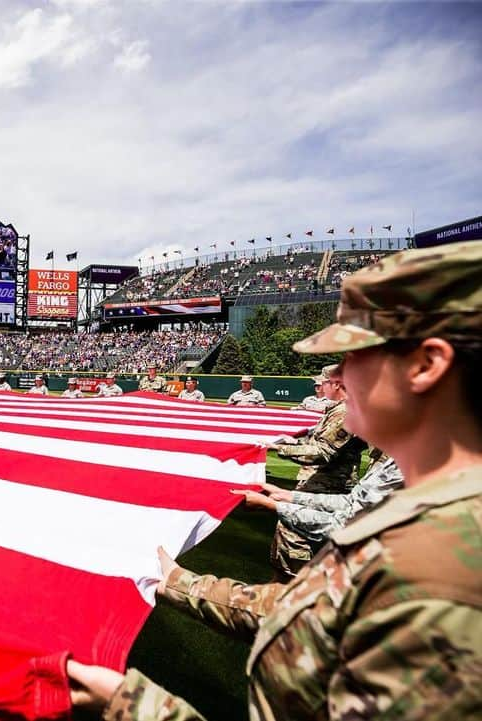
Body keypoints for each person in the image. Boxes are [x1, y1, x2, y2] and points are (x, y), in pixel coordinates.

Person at [67, 240, 482, 721]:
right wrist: (182, 584)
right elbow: (319, 612)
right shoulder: (430, 515)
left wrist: (135, 707)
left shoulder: (441, 575)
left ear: (426, 366)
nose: (340, 378)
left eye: (355, 355)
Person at [266, 363, 367, 578]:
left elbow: (322, 452)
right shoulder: (338, 409)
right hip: (320, 484)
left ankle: (296, 585)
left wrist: (279, 448)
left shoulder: (345, 411)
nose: (320, 388)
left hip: (328, 487)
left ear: (337, 384)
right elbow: (318, 439)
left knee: (295, 535)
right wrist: (293, 441)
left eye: (323, 383)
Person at [232, 450, 403, 551]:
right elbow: (351, 502)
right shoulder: (399, 459)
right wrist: (290, 496)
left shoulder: (410, 469)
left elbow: (345, 525)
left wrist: (273, 505)